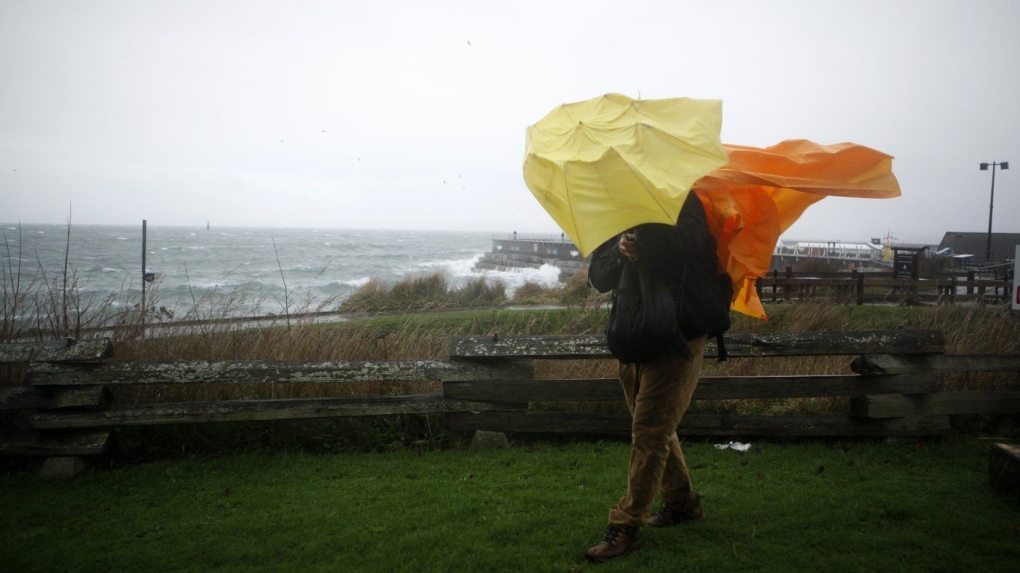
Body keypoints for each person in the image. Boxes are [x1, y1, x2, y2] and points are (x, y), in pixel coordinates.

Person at [585, 191, 731, 563]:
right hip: (634, 334)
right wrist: (620, 249)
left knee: (650, 431)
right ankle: (682, 504)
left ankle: (625, 525)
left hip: (679, 333)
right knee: (653, 426)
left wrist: (643, 241)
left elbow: (688, 242)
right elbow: (599, 276)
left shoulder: (685, 198)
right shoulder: (620, 206)